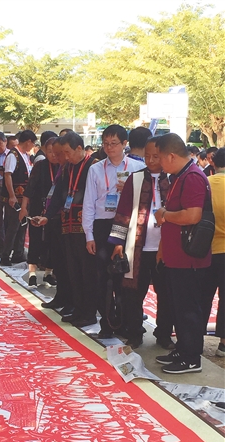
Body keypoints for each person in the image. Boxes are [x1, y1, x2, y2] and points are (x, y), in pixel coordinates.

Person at [108, 137, 174, 350]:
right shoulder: (135, 179)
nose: (151, 160)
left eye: (156, 156)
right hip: (137, 247)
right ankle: (135, 332)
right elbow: (123, 212)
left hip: (166, 248)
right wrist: (118, 242)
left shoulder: (173, 178)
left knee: (166, 293)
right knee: (133, 293)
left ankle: (164, 334)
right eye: (147, 156)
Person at [154, 133, 211, 374]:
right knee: (179, 307)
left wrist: (165, 215)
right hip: (176, 256)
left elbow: (193, 215)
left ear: (171, 156)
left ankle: (191, 357)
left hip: (189, 258)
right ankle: (183, 349)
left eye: (159, 157)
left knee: (188, 310)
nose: (158, 163)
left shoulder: (193, 177)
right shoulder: (180, 176)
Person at [82, 124, 145, 338]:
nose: (109, 148)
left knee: (128, 278)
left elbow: (144, 200)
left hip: (128, 224)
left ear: (125, 144)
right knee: (103, 278)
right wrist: (89, 235)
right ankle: (108, 323)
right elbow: (89, 203)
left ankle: (130, 325)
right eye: (106, 144)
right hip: (103, 225)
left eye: (114, 143)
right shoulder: (96, 169)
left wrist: (129, 190)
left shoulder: (137, 168)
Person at [34, 132, 97, 328]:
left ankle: (89, 312)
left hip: (86, 227)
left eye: (67, 152)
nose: (65, 157)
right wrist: (47, 215)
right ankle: (77, 309)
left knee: (87, 272)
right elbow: (59, 196)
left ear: (79, 148)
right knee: (73, 271)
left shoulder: (93, 166)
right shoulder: (67, 169)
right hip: (67, 225)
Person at [20, 136, 59, 287]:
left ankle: (49, 273)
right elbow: (29, 188)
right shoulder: (40, 166)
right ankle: (32, 273)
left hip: (54, 211)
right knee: (35, 239)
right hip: (38, 207)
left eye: (56, 152)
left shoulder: (63, 167)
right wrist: (24, 207)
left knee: (52, 242)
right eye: (49, 151)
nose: (53, 155)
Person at [0, 129, 37, 266]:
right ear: (28, 142)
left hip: (24, 198)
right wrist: (12, 195)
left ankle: (18, 253)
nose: (32, 146)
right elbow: (8, 175)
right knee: (13, 227)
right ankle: (5, 255)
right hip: (16, 198)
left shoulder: (25, 155)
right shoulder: (13, 155)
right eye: (32, 143)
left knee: (22, 225)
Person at [201, 147, 225, 357]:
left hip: (205, 250)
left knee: (202, 296)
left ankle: (195, 339)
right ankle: (223, 344)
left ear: (214, 163)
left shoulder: (205, 183)